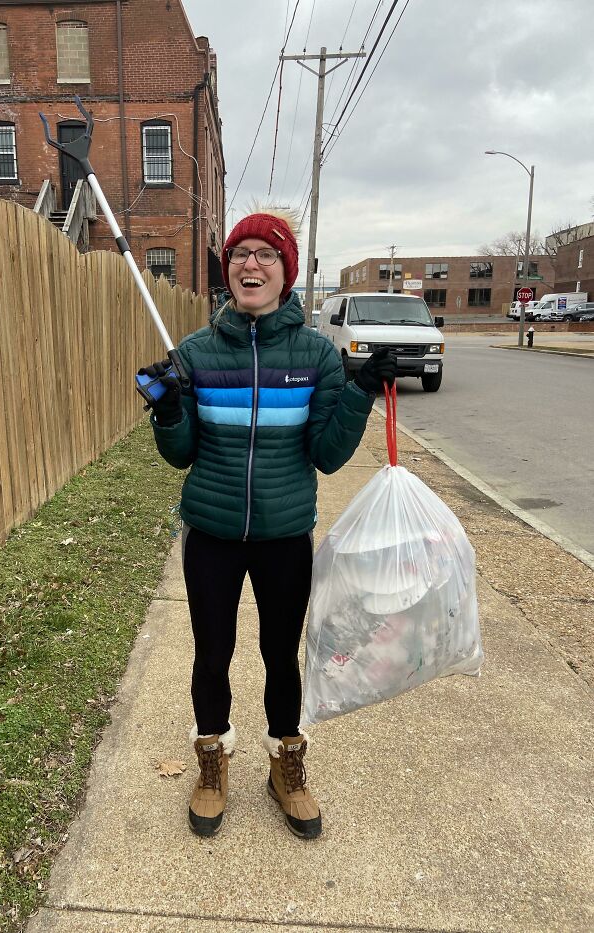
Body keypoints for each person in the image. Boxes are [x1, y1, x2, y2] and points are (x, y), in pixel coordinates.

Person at [140, 209, 397, 839]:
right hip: (212, 535)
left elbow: (329, 456)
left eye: (265, 253)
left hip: (285, 536)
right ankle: (212, 761)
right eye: (239, 253)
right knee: (212, 654)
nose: (250, 263)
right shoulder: (196, 354)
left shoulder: (314, 356)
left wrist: (359, 391)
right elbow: (180, 454)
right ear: (227, 272)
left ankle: (286, 766)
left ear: (286, 271)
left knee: (282, 656)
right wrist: (170, 407)